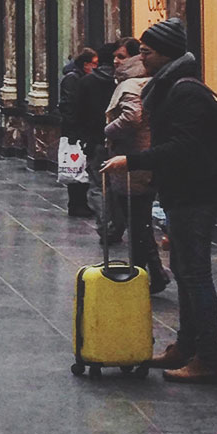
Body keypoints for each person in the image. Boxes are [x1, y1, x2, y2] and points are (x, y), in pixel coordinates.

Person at [102, 18, 217, 385]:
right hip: (181, 192)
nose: (142, 57)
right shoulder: (170, 85)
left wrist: (134, 161)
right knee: (187, 275)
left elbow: (186, 146)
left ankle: (207, 358)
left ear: (167, 53)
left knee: (196, 276)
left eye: (147, 51)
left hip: (196, 194)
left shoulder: (185, 90)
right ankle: (186, 347)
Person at [103, 38, 169, 294]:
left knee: (137, 219)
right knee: (138, 221)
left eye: (121, 57)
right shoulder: (143, 82)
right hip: (139, 160)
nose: (116, 61)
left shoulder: (133, 84)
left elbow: (132, 116)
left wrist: (108, 129)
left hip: (134, 162)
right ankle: (151, 272)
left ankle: (144, 273)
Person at [79, 42, 120, 239]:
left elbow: (80, 112)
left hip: (95, 141)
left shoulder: (87, 82)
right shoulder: (121, 81)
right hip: (119, 141)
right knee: (117, 185)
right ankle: (117, 226)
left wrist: (84, 138)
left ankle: (105, 226)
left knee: (98, 184)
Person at [58, 47, 98, 217]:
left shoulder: (79, 78)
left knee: (80, 167)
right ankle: (76, 203)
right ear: (85, 64)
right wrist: (74, 132)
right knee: (76, 167)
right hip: (75, 132)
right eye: (94, 64)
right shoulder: (73, 79)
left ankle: (79, 202)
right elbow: (70, 105)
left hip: (77, 130)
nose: (95, 67)